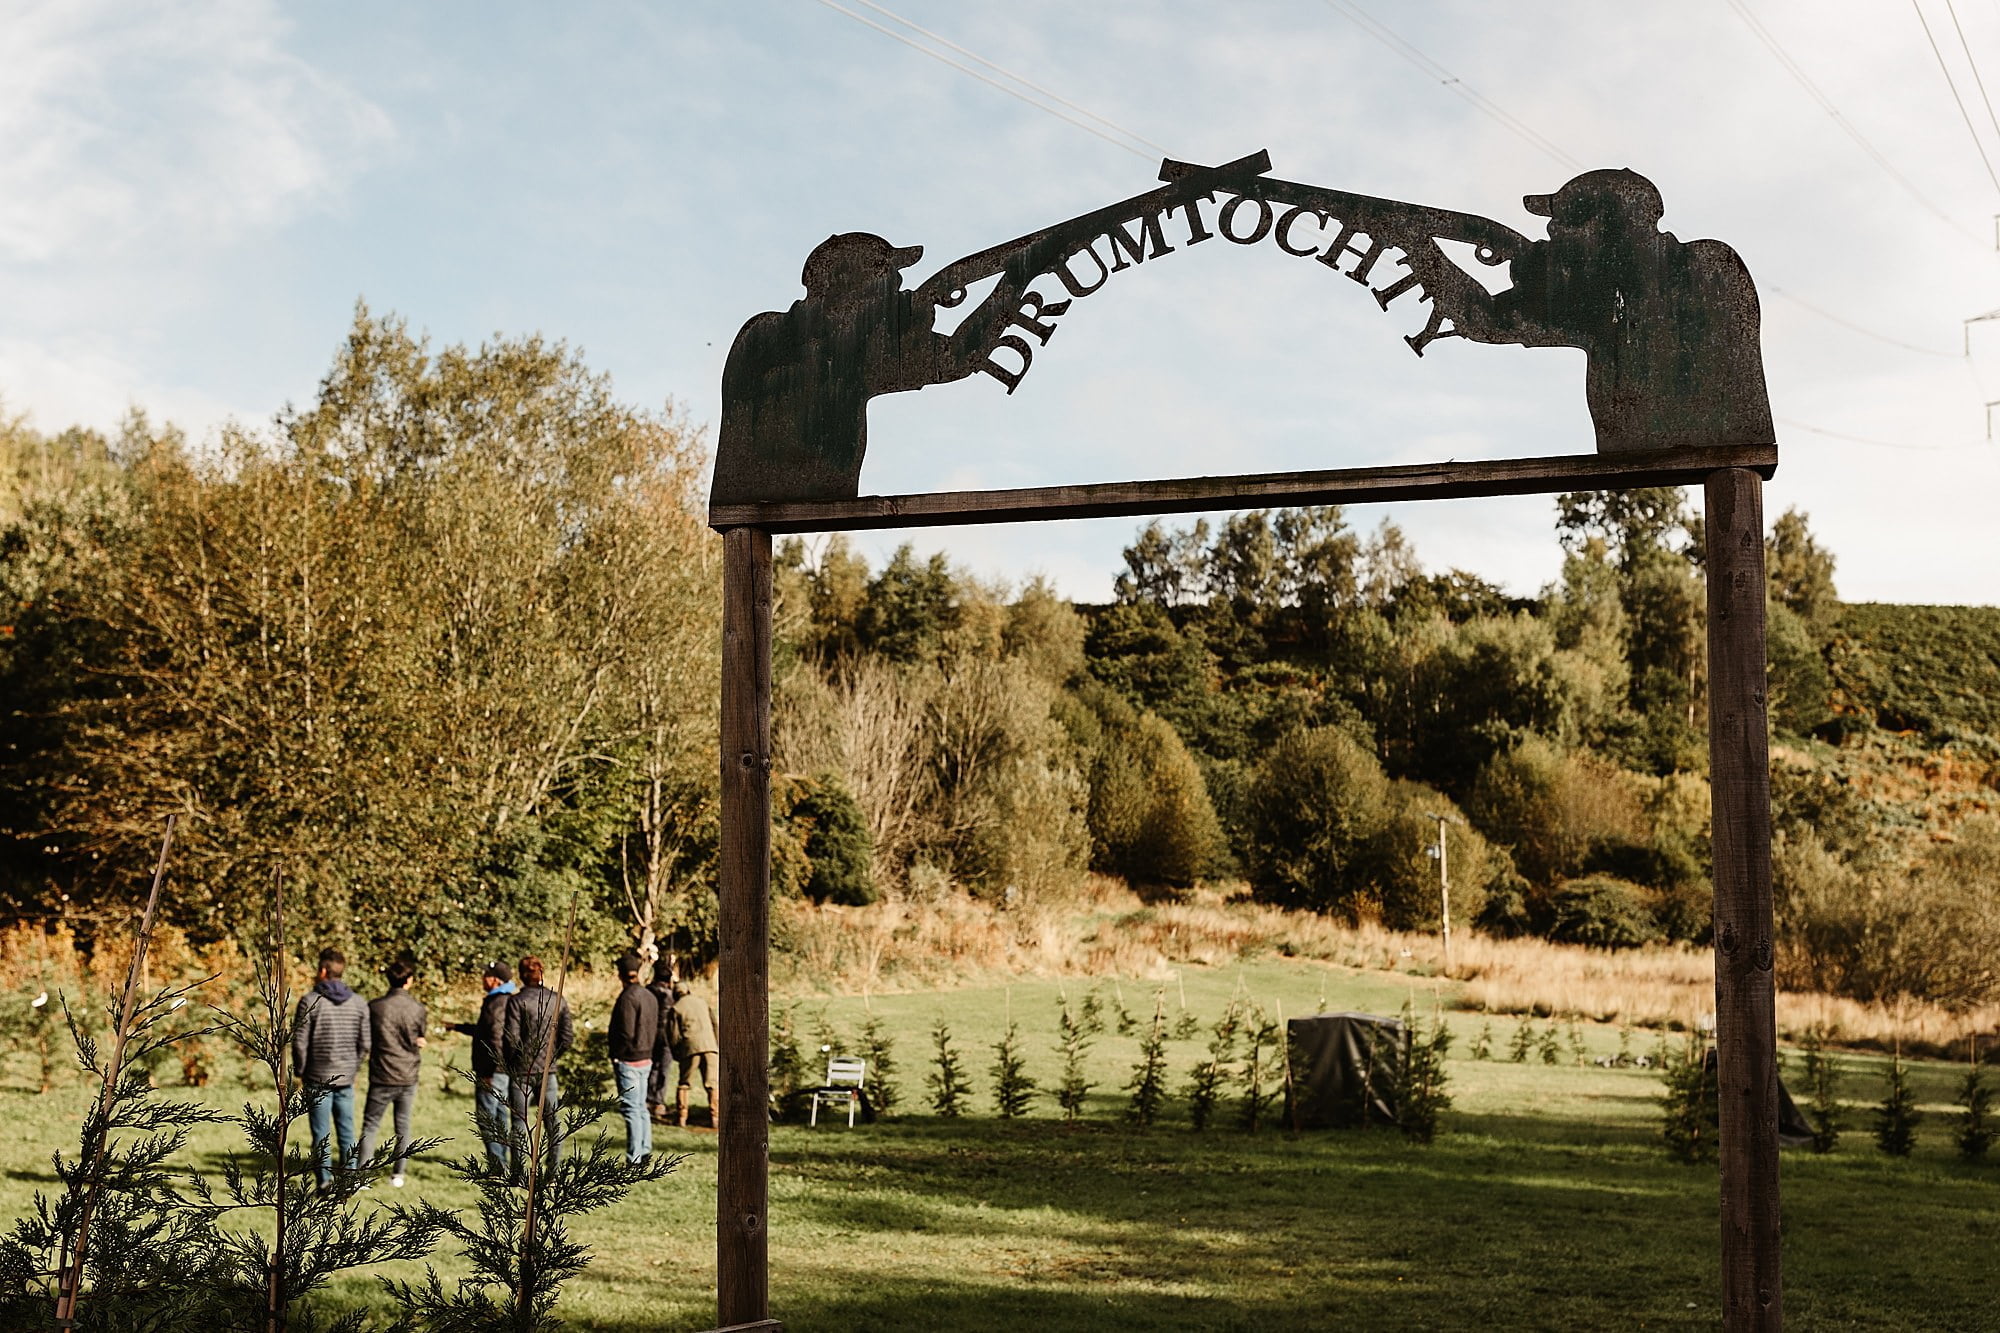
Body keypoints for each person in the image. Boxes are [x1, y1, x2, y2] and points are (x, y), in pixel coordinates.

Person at [291, 946, 370, 1188]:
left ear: (323, 970)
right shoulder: (358, 1003)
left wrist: (301, 1071)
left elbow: (300, 1041)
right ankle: (350, 1178)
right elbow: (365, 1043)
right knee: (347, 1131)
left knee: (320, 1134)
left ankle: (324, 1181)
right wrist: (353, 1068)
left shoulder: (310, 1001)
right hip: (346, 1077)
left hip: (317, 1077)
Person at [358, 957, 427, 1187]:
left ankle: (362, 1175)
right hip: (407, 1073)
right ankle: (398, 1174)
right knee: (403, 1125)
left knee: (370, 1124)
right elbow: (419, 1036)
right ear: (409, 981)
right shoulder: (418, 1008)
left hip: (382, 1073)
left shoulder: (374, 1007)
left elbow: (368, 1039)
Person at [500, 954, 573, 1174]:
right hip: (548, 1070)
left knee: (520, 1121)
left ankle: (519, 1171)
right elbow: (567, 1037)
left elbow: (511, 1038)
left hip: (522, 1069)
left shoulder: (515, 1001)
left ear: (522, 976)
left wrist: (516, 1060)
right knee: (552, 1122)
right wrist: (551, 1057)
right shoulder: (558, 1000)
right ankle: (553, 1168)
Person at [450, 961, 516, 1172]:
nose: (482, 978)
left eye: (485, 975)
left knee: (487, 1117)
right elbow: (483, 1031)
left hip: (492, 1071)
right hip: (503, 1069)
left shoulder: (496, 1003)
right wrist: (457, 1027)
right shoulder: (503, 1000)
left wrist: (488, 1071)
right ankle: (502, 1162)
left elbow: (495, 1038)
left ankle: (498, 1166)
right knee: (500, 1116)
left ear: (495, 979)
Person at [607, 952, 660, 1163]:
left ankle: (634, 1157)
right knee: (641, 1107)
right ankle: (645, 1149)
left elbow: (626, 1032)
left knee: (631, 1109)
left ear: (620, 974)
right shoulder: (649, 995)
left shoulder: (627, 998)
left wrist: (616, 1056)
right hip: (646, 1056)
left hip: (629, 1059)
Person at [666, 981, 720, 1131]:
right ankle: (715, 1118)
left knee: (685, 1083)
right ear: (688, 991)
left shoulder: (676, 1008)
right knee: (712, 1083)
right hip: (710, 1046)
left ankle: (682, 1117)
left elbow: (673, 1035)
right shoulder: (702, 1002)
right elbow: (715, 1024)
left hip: (690, 1047)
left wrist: (676, 1052)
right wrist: (715, 1044)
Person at [645, 956, 678, 1123]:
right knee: (664, 1068)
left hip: (650, 1033)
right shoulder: (670, 995)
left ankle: (650, 1098)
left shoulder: (648, 990)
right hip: (666, 1034)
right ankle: (658, 1101)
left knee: (653, 1066)